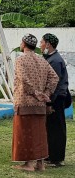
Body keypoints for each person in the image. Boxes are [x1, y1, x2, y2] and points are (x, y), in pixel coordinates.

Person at [12, 33, 59, 172]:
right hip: (40, 104)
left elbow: (23, 80)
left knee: (25, 133)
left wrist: (37, 94)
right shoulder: (43, 61)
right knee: (39, 134)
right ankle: (40, 164)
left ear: (24, 44)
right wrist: (45, 94)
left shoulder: (20, 60)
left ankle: (29, 164)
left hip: (25, 102)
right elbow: (54, 78)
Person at [40, 33, 70, 167]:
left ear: (48, 44)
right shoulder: (51, 59)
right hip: (55, 97)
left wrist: (50, 102)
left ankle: (56, 158)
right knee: (51, 127)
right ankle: (51, 156)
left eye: (42, 42)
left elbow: (55, 84)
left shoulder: (55, 61)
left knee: (56, 128)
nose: (40, 45)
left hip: (57, 99)